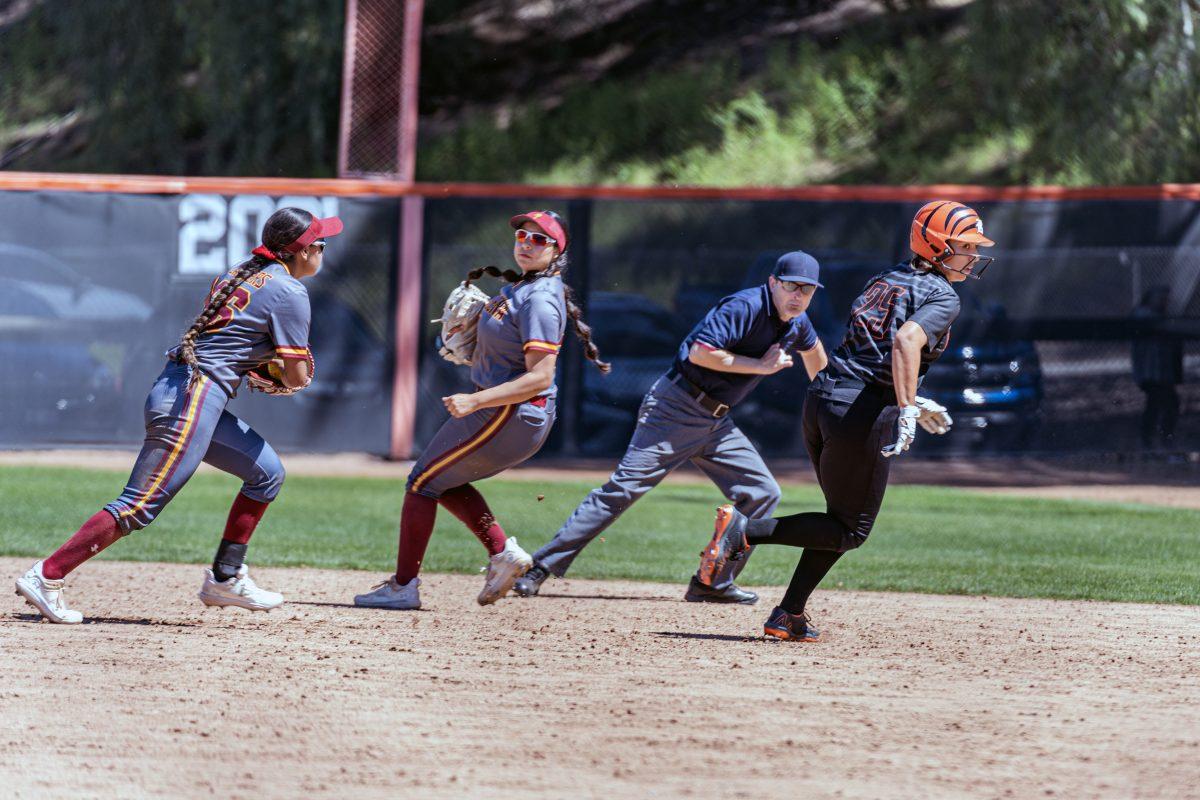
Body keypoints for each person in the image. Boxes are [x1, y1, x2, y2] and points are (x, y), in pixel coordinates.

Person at [15, 207, 339, 623]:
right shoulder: (290, 291)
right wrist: (285, 377)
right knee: (139, 505)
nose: (323, 251)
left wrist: (261, 366)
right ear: (302, 250)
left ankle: (225, 577)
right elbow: (295, 373)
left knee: (267, 473)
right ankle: (47, 575)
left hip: (188, 392)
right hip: (193, 397)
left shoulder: (239, 272)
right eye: (320, 244)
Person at [698, 200, 995, 640]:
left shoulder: (887, 277)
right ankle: (744, 531)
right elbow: (906, 341)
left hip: (823, 398)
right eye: (964, 246)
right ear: (936, 245)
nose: (971, 256)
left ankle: (788, 615)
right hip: (860, 411)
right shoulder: (943, 295)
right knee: (852, 529)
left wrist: (910, 396)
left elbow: (870, 352)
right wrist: (907, 406)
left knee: (839, 520)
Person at [513, 251, 828, 604]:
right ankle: (540, 566)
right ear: (773, 283)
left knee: (762, 493)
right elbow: (700, 353)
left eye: (807, 289)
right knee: (623, 490)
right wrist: (761, 365)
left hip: (716, 422)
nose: (798, 295)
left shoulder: (797, 322)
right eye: (791, 286)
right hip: (674, 409)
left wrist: (826, 397)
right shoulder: (745, 307)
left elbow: (815, 354)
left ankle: (712, 582)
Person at [354, 210, 609, 610]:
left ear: (557, 251)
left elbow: (541, 377)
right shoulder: (524, 288)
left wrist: (475, 400)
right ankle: (503, 553)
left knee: (422, 482)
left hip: (511, 412)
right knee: (441, 481)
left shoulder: (541, 299)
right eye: (523, 235)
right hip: (507, 411)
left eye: (539, 240)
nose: (526, 243)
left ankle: (404, 587)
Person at [1131, 285, 1183, 450]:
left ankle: (1158, 440)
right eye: (1161, 298)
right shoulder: (1143, 315)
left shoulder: (1162, 317)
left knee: (1166, 404)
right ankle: (1153, 441)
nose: (1165, 301)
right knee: (1158, 404)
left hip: (1162, 373)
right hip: (1151, 372)